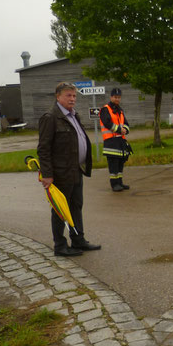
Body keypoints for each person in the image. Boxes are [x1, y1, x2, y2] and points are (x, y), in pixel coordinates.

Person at [37, 82, 101, 257]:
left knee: (76, 206)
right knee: (60, 210)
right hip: (60, 173)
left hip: (75, 170)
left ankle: (78, 240)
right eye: (68, 95)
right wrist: (48, 175)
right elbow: (43, 148)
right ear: (58, 96)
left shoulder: (74, 115)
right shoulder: (50, 117)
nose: (72, 99)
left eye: (74, 96)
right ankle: (60, 245)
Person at [100, 87, 131, 192]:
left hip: (120, 141)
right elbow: (107, 122)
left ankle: (120, 183)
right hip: (110, 141)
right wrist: (119, 130)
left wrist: (125, 130)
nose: (117, 99)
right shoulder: (105, 109)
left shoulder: (120, 110)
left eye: (119, 97)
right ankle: (114, 184)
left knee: (120, 163)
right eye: (115, 97)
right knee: (113, 164)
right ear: (111, 97)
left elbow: (126, 124)